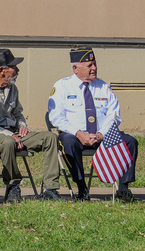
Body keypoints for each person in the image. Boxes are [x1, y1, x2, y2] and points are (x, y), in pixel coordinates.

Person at [48, 46, 138, 201]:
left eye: (95, 64)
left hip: (102, 136)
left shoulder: (103, 87)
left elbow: (114, 115)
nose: (94, 68)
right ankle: (81, 188)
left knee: (130, 141)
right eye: (89, 65)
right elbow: (56, 117)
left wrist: (101, 134)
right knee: (67, 142)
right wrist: (78, 133)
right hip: (76, 136)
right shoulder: (62, 86)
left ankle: (123, 190)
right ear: (75, 68)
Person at [0, 48, 62, 203]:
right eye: (13, 66)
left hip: (14, 133)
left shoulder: (12, 87)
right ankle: (13, 186)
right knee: (8, 142)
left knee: (50, 138)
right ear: (1, 70)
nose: (17, 69)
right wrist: (10, 135)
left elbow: (18, 113)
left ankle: (50, 188)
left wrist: (22, 125)